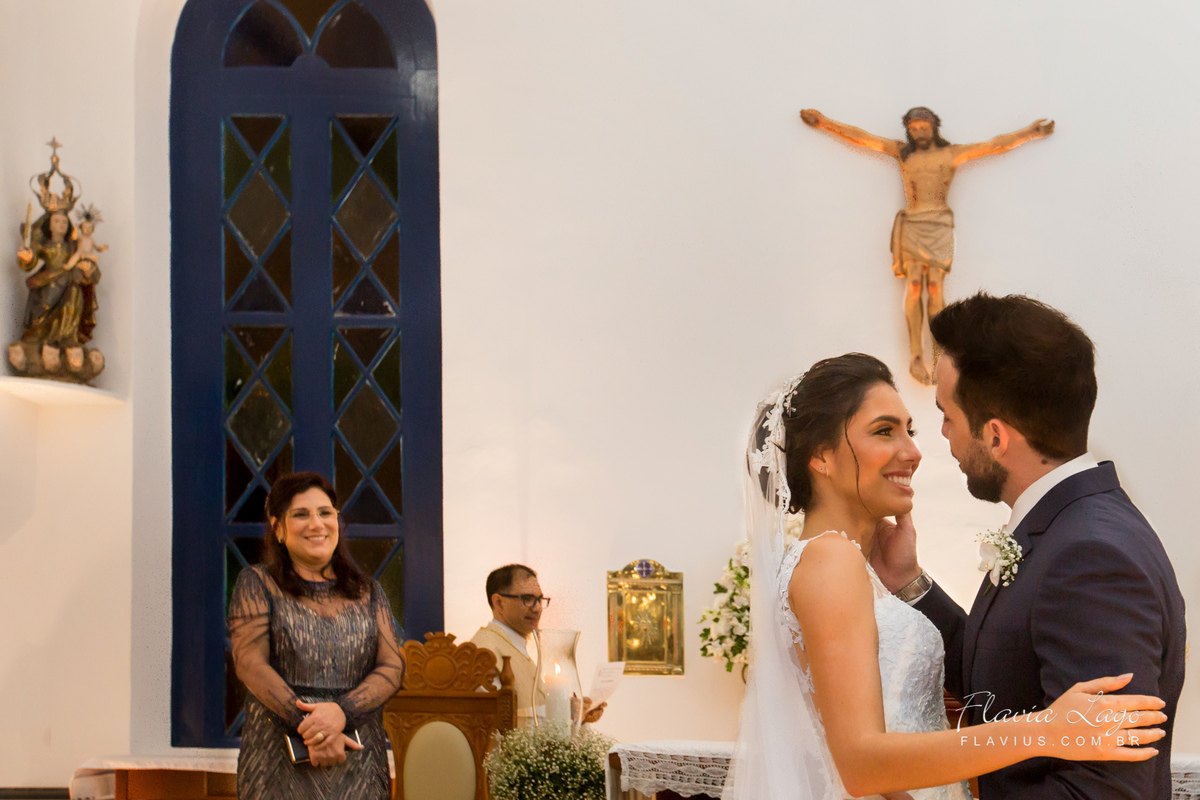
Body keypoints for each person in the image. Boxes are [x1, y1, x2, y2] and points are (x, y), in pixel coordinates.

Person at [726, 354, 1166, 800]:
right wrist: (1045, 730)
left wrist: (907, 578)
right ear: (821, 456)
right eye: (884, 431)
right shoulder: (830, 560)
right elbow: (861, 764)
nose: (913, 452)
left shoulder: (838, 562)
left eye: (909, 431)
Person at [870, 293, 1187, 798]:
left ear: (996, 437)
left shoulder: (1091, 557)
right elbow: (999, 679)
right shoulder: (1067, 528)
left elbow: (1103, 791)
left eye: (947, 415)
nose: (944, 436)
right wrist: (910, 582)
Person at [799, 108, 1053, 385]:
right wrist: (824, 123)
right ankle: (916, 356)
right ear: (908, 130)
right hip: (912, 224)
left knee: (934, 289)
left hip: (939, 225)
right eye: (914, 128)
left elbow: (994, 145)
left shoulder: (951, 153)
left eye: (924, 127)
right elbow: (864, 138)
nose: (919, 132)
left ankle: (937, 353)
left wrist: (1030, 132)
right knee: (913, 286)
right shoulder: (902, 153)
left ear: (934, 127)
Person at [228, 472, 405, 799]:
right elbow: (250, 665)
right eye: (300, 514)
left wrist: (342, 714)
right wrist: (315, 729)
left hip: (359, 764)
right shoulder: (257, 583)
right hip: (277, 764)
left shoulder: (370, 592)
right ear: (278, 528)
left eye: (325, 513)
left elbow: (392, 668)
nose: (316, 524)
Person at [470, 564, 606, 725]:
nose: (537, 608)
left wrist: (576, 713)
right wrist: (564, 711)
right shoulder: (484, 651)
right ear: (499, 603)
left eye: (539, 599)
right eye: (527, 599)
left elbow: (532, 707)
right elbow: (495, 721)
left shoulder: (513, 644)